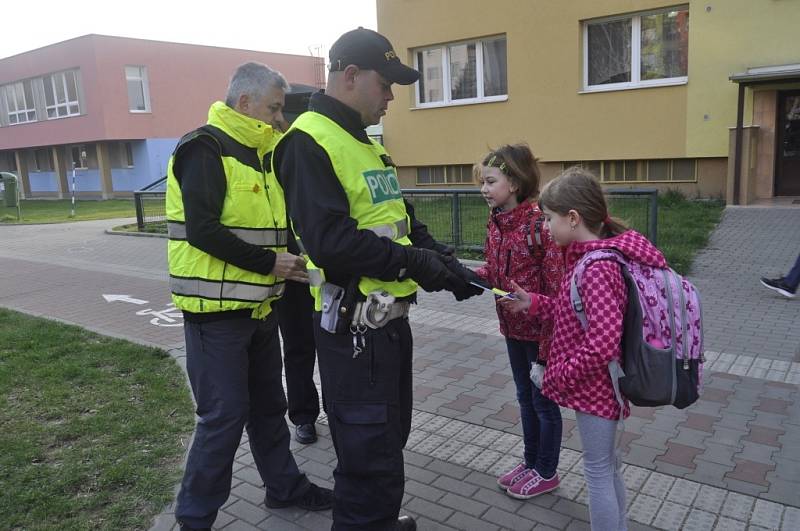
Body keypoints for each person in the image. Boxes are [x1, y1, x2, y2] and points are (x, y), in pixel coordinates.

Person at [274, 27, 481, 531]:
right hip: (356, 333)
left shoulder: (364, 144)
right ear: (350, 75)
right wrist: (417, 265)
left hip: (386, 328)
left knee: (386, 444)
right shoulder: (308, 142)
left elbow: (401, 222)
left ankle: (378, 520)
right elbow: (331, 243)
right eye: (385, 84)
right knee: (368, 456)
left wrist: (445, 262)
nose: (391, 96)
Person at [165, 62, 332, 530]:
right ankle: (194, 519)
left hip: (259, 308)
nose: (281, 118)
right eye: (275, 108)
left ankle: (285, 490)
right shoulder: (205, 148)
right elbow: (202, 230)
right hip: (214, 316)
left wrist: (295, 264)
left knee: (267, 409)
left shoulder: (261, 155)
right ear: (245, 103)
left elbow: (274, 232)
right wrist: (269, 264)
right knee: (223, 419)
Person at [502, 167, 667, 530]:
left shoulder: (595, 268)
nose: (544, 227)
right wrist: (533, 303)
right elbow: (571, 311)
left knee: (597, 472)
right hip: (602, 385)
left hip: (598, 390)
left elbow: (601, 344)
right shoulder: (590, 259)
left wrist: (557, 375)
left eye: (548, 219)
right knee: (608, 468)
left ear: (573, 218)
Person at [472, 145, 565, 499]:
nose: (484, 189)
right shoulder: (497, 222)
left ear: (513, 182)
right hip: (513, 330)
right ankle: (530, 462)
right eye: (483, 181)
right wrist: (460, 275)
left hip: (542, 335)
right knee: (526, 398)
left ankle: (547, 471)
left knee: (544, 403)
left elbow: (557, 291)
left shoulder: (541, 225)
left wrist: (545, 350)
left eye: (490, 181)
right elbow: (495, 273)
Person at [277, 259, 321, 444]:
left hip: (331, 263)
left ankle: (340, 414)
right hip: (292, 272)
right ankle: (303, 416)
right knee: (297, 347)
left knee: (339, 345)